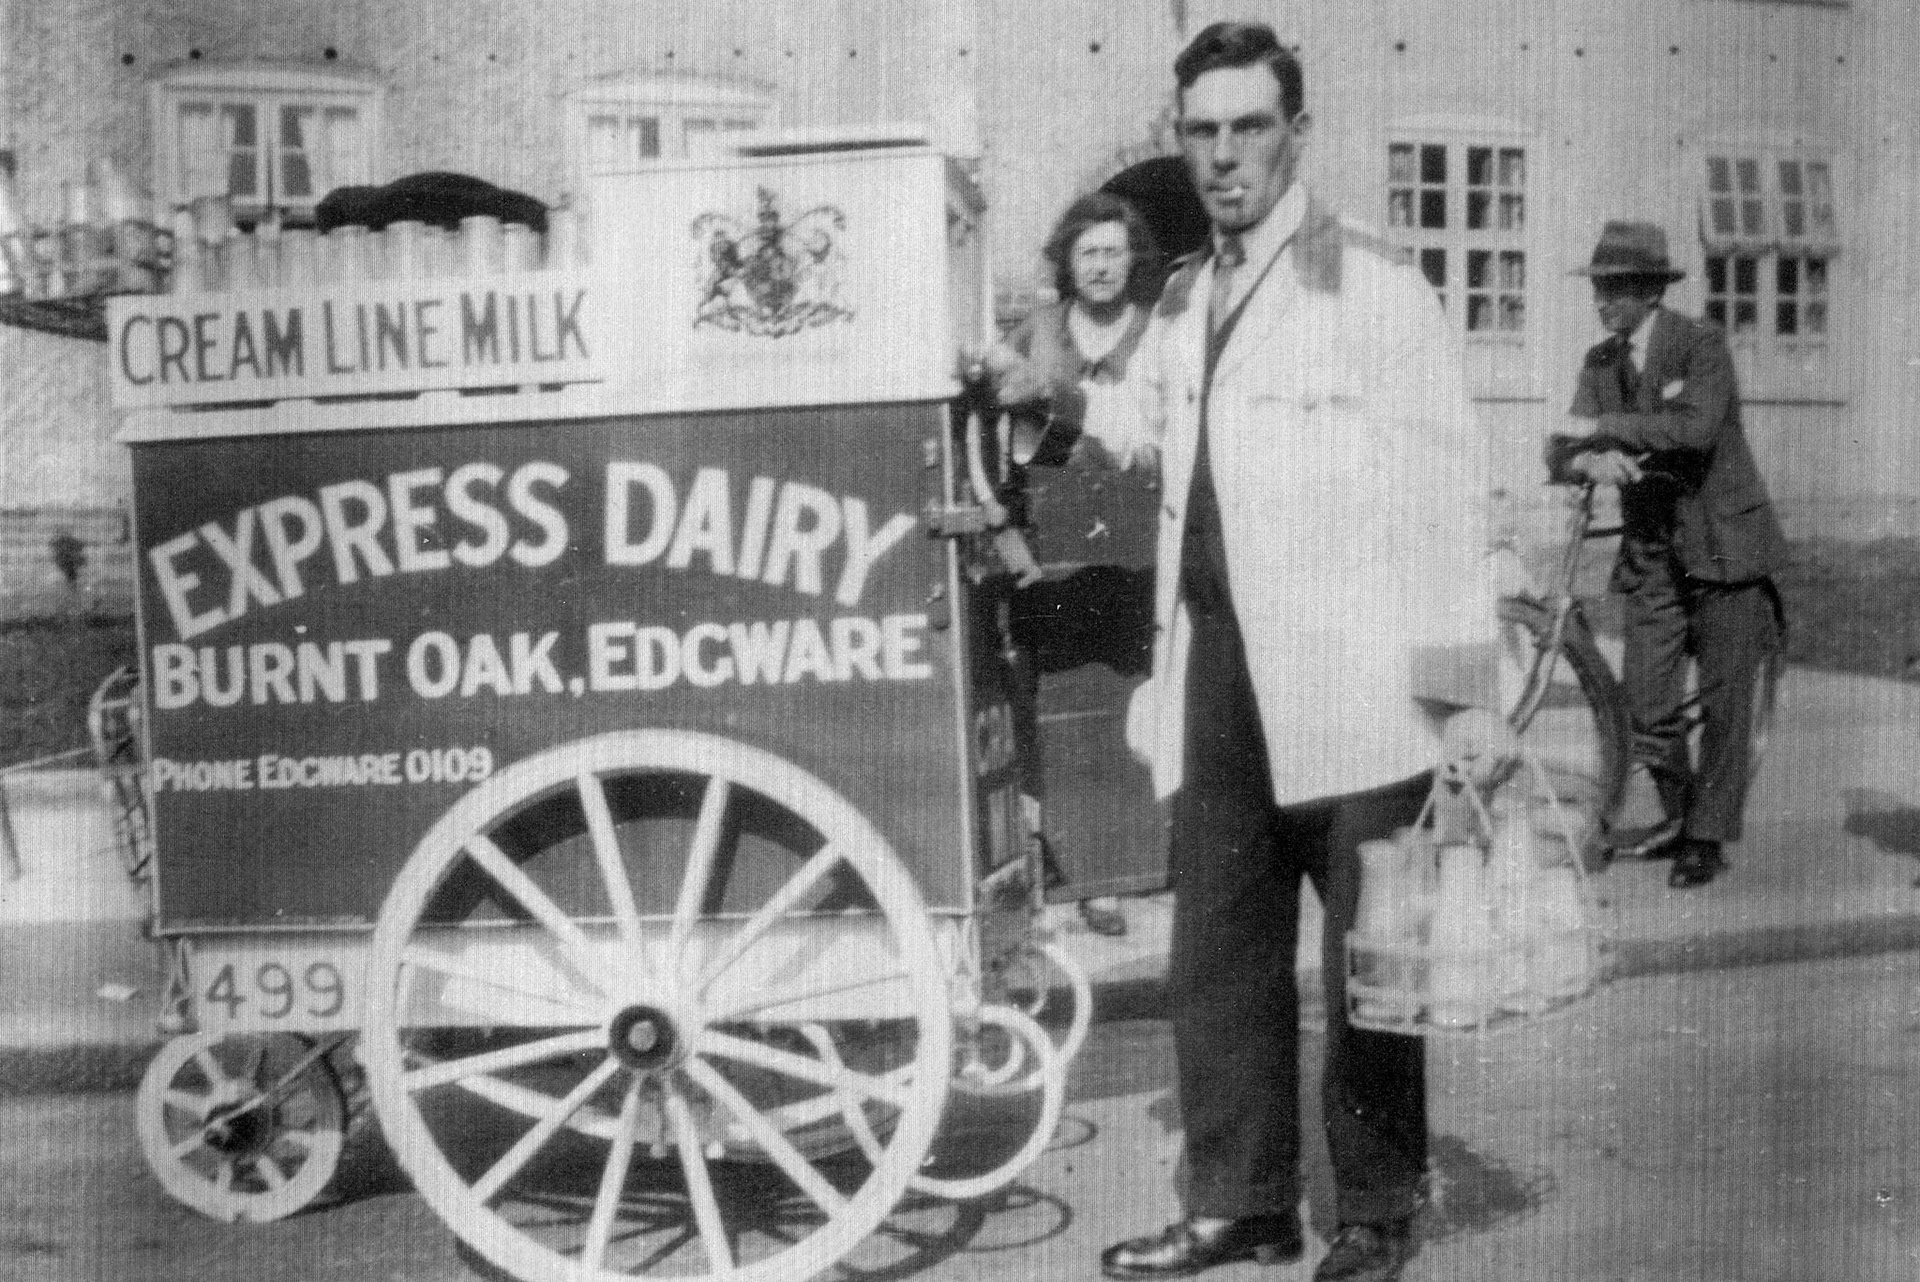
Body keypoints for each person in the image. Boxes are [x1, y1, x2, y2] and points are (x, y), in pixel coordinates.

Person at [1009, 22, 1501, 1282]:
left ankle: (1378, 1209)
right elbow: (1151, 428)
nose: (1224, 156)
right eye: (1203, 131)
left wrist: (1463, 700)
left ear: (1296, 133)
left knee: (1367, 957)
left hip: (1353, 676)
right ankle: (1240, 1202)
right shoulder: (1184, 299)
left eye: (1248, 128)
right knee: (1218, 948)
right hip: (1217, 663)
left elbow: (1449, 504)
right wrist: (1051, 397)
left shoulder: (1377, 291)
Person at [1547, 221, 1787, 888]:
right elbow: (1561, 444)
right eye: (1598, 289)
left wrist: (1605, 429)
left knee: (1723, 698)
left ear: (1651, 291)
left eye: (1616, 291)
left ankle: (1707, 837)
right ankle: (1682, 813)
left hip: (1723, 544)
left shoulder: (1699, 344)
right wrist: (1586, 456)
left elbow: (1697, 428)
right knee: (1646, 704)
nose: (1603, 303)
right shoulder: (1601, 363)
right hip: (1653, 549)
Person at [987, 191, 1162, 937]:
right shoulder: (1037, 332)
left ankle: (1108, 877)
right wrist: (1006, 533)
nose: (1099, 266)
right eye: (1087, 252)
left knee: (1121, 704)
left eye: (1113, 252)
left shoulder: (1157, 336)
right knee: (1049, 709)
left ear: (1133, 261)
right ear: (1068, 261)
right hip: (1049, 552)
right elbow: (995, 436)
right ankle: (1056, 865)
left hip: (1130, 552)